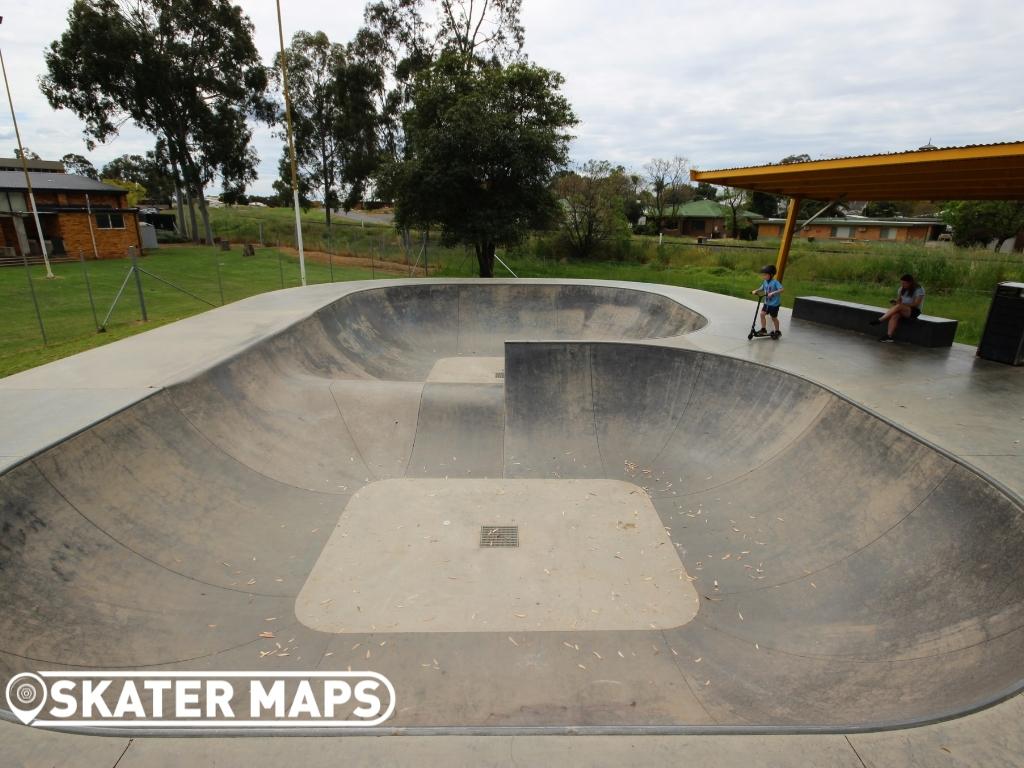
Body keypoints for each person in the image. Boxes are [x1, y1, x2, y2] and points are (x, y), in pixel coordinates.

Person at [871, 274, 925, 342]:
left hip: (914, 311)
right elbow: (899, 301)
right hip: (903, 309)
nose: (902, 285)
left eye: (904, 283)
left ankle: (881, 319)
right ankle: (889, 336)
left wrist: (902, 305)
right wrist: (895, 302)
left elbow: (916, 304)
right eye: (901, 283)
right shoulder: (901, 289)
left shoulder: (919, 289)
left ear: (910, 283)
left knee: (899, 306)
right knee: (895, 315)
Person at [751, 264, 784, 339]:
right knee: (762, 314)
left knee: (773, 318)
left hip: (774, 304)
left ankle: (777, 331)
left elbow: (782, 289)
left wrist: (773, 293)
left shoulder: (775, 282)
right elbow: (762, 288)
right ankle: (763, 329)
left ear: (771, 275)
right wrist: (756, 290)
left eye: (765, 275)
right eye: (763, 275)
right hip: (767, 303)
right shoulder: (765, 282)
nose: (764, 276)